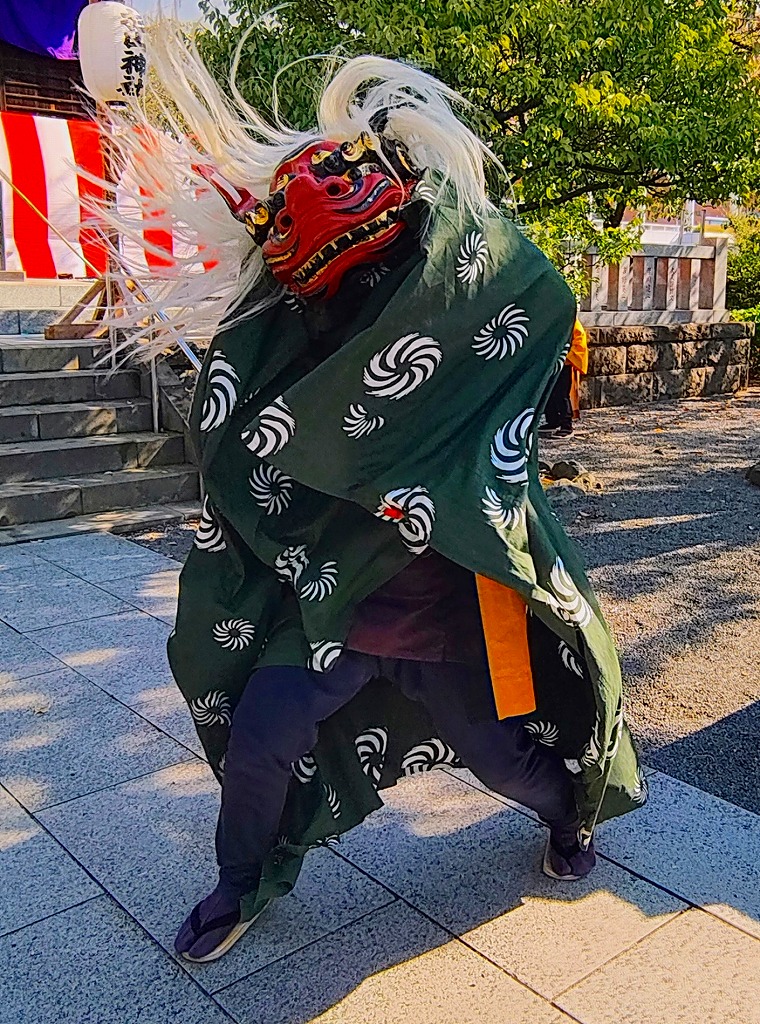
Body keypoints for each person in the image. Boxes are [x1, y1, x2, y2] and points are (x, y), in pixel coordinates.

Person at [90, 25, 646, 964]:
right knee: (263, 735)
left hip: (452, 614)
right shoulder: (295, 335)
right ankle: (238, 884)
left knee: (506, 762)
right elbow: (243, 437)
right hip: (336, 603)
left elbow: (532, 303)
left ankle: (571, 818)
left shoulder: (457, 315)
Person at [539, 318, 589, 438]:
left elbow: (579, 339)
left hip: (564, 361)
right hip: (550, 359)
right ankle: (553, 421)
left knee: (561, 394)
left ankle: (567, 425)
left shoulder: (570, 319)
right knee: (548, 392)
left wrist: (568, 356)